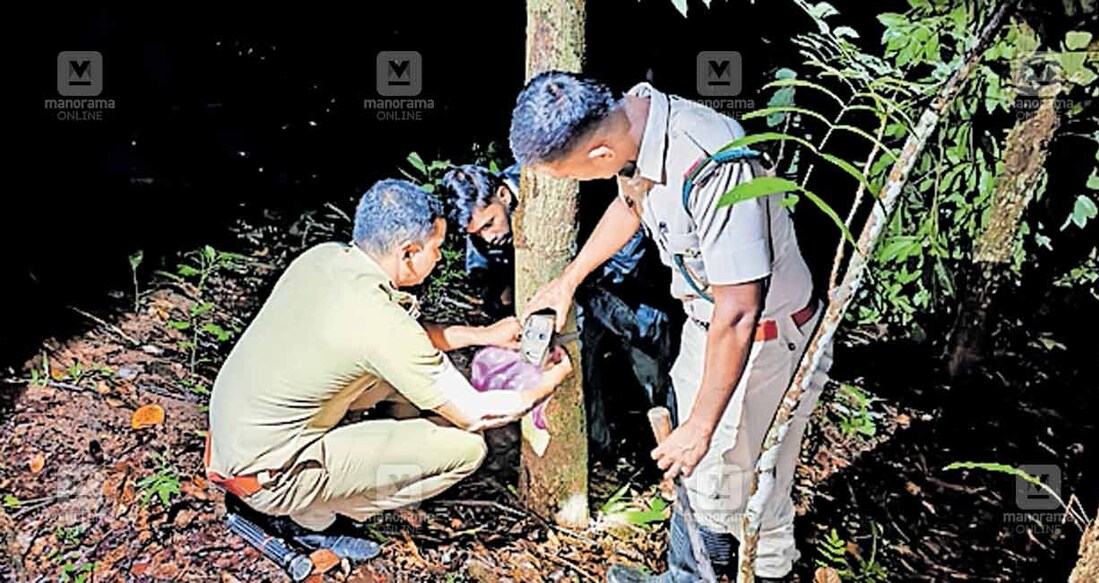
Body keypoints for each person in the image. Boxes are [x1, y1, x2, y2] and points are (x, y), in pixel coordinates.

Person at [509, 72, 833, 581]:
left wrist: (702, 427)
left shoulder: (712, 163)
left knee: (749, 482)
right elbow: (629, 204)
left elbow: (741, 308)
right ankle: (687, 575)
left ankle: (761, 573)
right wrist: (569, 280)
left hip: (765, 341)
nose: (580, 183)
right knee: (705, 477)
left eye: (572, 175)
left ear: (598, 155)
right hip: (710, 328)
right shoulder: (634, 124)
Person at [206, 178, 573, 562]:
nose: (441, 258)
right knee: (466, 448)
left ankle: (348, 469)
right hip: (267, 478)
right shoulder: (380, 323)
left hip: (233, 439)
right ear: (409, 253)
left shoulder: (326, 260)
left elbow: (403, 335)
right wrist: (549, 381)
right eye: (437, 248)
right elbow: (477, 412)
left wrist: (484, 335)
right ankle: (312, 518)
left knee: (394, 378)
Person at [441, 163, 676, 452]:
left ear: (503, 194)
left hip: (621, 286)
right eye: (477, 232)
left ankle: (669, 442)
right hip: (565, 310)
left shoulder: (561, 179)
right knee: (580, 373)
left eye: (490, 224)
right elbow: (484, 272)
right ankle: (603, 451)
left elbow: (627, 226)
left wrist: (589, 281)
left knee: (651, 365)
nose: (488, 237)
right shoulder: (483, 229)